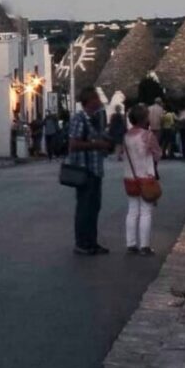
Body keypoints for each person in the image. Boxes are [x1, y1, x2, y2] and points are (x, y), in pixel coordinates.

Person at [66, 89, 117, 256]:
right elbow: (74, 144)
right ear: (90, 100)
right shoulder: (79, 119)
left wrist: (108, 143)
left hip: (96, 170)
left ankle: (92, 242)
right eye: (96, 98)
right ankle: (82, 243)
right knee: (85, 208)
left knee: (94, 207)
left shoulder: (95, 119)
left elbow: (102, 138)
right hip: (84, 170)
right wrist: (96, 144)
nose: (100, 101)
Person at [119, 104, 163, 255]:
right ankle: (144, 245)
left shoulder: (126, 136)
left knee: (132, 210)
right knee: (146, 211)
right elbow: (157, 154)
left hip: (130, 177)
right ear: (145, 119)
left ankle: (131, 243)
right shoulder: (148, 135)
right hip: (146, 176)